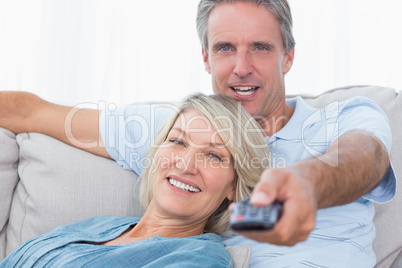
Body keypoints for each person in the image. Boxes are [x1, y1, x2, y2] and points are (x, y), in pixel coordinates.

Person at [0, 0, 396, 267]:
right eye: (225, 48)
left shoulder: (338, 120)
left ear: (288, 56)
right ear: (205, 57)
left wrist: (309, 183)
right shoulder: (171, 132)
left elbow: (368, 158)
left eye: (259, 47)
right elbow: (31, 111)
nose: (241, 67)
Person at [0, 93, 271, 267]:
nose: (186, 164)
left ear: (234, 188)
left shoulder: (198, 260)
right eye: (177, 141)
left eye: (213, 155)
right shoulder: (100, 226)